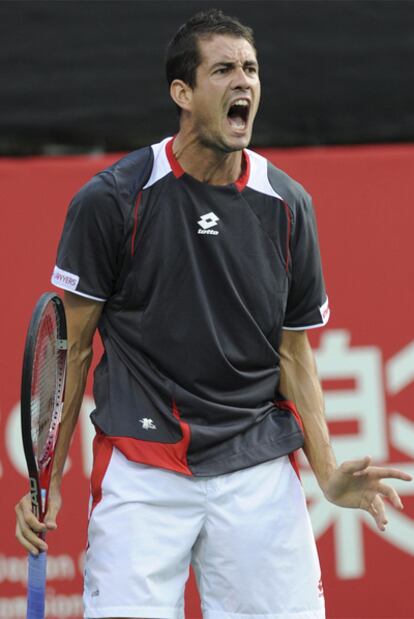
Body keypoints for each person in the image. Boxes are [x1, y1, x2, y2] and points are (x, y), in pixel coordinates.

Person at [15, 9, 411, 619]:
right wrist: (53, 477)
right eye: (223, 70)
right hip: (144, 475)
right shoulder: (114, 200)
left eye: (251, 69)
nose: (243, 83)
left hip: (257, 470)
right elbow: (72, 349)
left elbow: (294, 352)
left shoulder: (287, 206)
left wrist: (327, 470)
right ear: (182, 92)